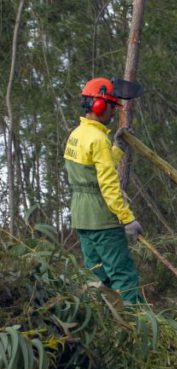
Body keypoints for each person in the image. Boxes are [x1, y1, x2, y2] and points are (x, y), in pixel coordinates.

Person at [63, 76, 145, 304]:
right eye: (112, 107)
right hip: (102, 220)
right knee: (123, 275)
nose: (112, 114)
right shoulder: (98, 139)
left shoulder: (77, 135)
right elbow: (108, 184)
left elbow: (93, 170)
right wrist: (127, 218)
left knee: (96, 275)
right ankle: (136, 325)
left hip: (81, 218)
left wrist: (118, 147)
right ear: (100, 105)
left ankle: (105, 322)